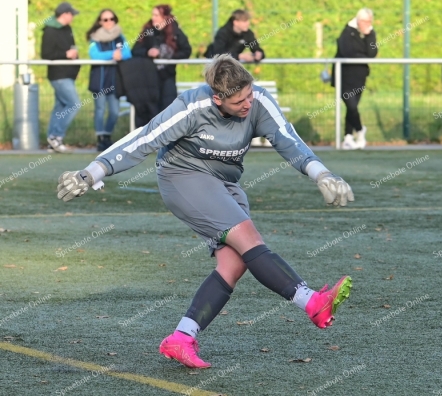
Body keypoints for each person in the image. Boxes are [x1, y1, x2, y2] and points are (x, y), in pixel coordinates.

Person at [55, 54, 354, 369]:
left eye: (250, 95)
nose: (248, 104)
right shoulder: (190, 107)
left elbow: (289, 141)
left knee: (234, 263)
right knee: (248, 238)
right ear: (217, 98)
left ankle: (181, 338)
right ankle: (313, 302)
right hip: (181, 177)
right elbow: (142, 140)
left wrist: (322, 174)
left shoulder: (258, 101)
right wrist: (89, 174)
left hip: (225, 182)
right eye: (239, 100)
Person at [86, 9, 132, 151]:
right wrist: (113, 54)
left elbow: (127, 53)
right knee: (99, 109)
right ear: (100, 22)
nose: (109, 22)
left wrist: (120, 55)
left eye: (111, 19)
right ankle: (100, 138)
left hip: (115, 80)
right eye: (105, 19)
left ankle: (107, 135)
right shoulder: (95, 38)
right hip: (99, 79)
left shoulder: (121, 37)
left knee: (114, 111)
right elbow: (94, 55)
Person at [132, 4, 192, 112]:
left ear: (164, 17)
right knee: (152, 111)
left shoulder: (175, 32)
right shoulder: (148, 31)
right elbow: (135, 51)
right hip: (149, 78)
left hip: (167, 76)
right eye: (152, 15)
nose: (153, 18)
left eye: (156, 15)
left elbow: (186, 51)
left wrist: (168, 56)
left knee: (168, 109)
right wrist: (148, 52)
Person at [332, 8, 377, 150]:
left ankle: (348, 137)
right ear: (358, 20)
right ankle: (360, 129)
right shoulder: (347, 32)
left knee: (352, 108)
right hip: (344, 77)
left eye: (369, 21)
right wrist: (362, 55)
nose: (366, 24)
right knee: (351, 105)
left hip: (360, 76)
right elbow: (347, 52)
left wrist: (368, 36)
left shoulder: (370, 33)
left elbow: (372, 53)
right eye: (364, 21)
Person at [41, 2, 81, 153]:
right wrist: (66, 55)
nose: (73, 17)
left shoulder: (67, 29)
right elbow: (47, 54)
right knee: (74, 103)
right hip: (58, 75)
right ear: (64, 14)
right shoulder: (50, 30)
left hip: (68, 74)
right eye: (71, 14)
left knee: (60, 106)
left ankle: (52, 139)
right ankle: (56, 136)